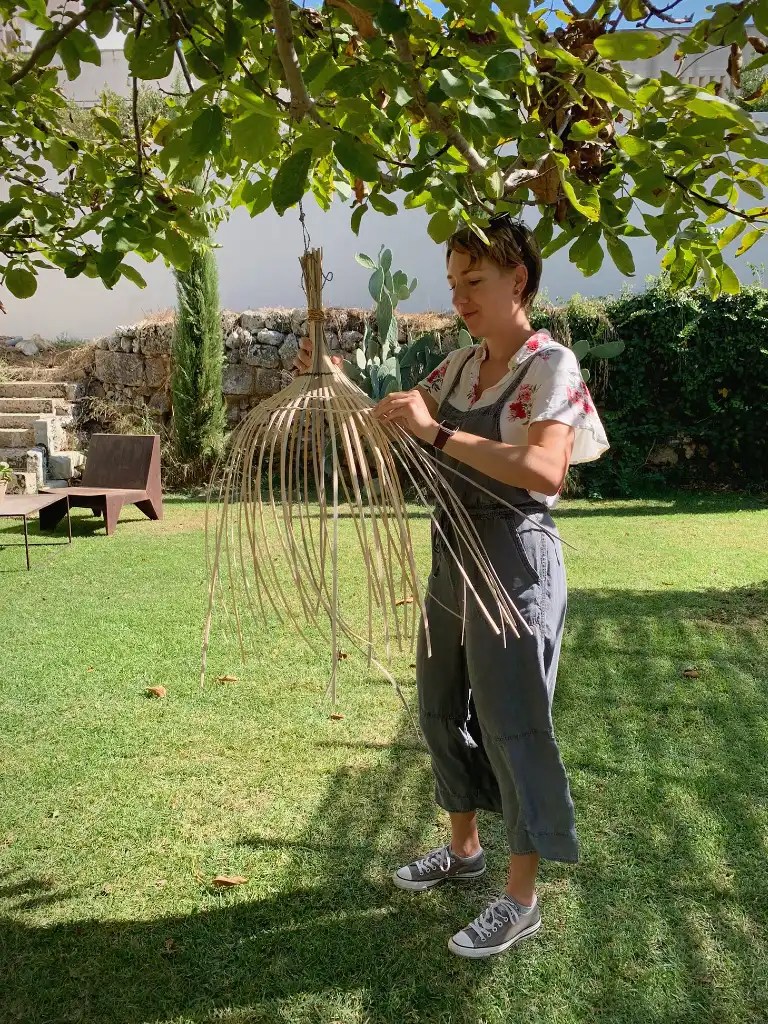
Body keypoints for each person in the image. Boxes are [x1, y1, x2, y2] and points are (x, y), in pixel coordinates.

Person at [294, 216, 609, 959]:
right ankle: (464, 852)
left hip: (513, 560)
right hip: (451, 556)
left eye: (475, 281)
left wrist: (437, 434)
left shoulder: (548, 365)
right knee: (437, 705)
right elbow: (396, 422)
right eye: (453, 283)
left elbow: (544, 472)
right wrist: (333, 379)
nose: (460, 297)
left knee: (512, 722)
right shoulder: (462, 366)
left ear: (517, 281)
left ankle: (521, 898)